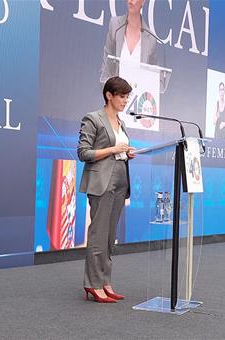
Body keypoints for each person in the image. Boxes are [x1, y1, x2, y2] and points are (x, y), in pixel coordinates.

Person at [77, 76, 136, 303]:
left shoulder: (122, 123)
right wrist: (113, 149)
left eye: (127, 96)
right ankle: (92, 284)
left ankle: (105, 281)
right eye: (122, 96)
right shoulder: (93, 119)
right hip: (102, 181)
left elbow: (117, 150)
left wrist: (125, 152)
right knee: (98, 235)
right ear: (108, 95)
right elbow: (84, 153)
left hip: (121, 180)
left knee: (110, 236)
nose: (125, 100)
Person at [100, 0, 158, 83]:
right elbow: (106, 66)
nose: (130, 1)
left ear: (143, 2)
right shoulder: (115, 25)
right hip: (116, 92)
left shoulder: (151, 39)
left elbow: (152, 77)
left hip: (138, 93)